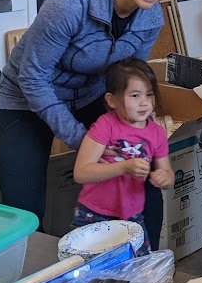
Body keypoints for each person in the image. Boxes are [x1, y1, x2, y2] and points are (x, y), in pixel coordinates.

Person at [0, 0, 178, 246]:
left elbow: (128, 78)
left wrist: (141, 132)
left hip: (93, 94)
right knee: (23, 206)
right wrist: (86, 139)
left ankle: (147, 268)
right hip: (25, 96)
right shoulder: (69, 4)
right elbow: (33, 77)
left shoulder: (151, 18)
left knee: (142, 174)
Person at [71, 59, 173, 254]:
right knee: (90, 274)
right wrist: (124, 167)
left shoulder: (156, 133)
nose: (144, 102)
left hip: (133, 216)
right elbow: (81, 172)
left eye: (149, 95)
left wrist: (164, 178)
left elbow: (167, 172)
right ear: (112, 100)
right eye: (135, 95)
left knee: (139, 271)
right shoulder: (105, 125)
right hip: (93, 214)